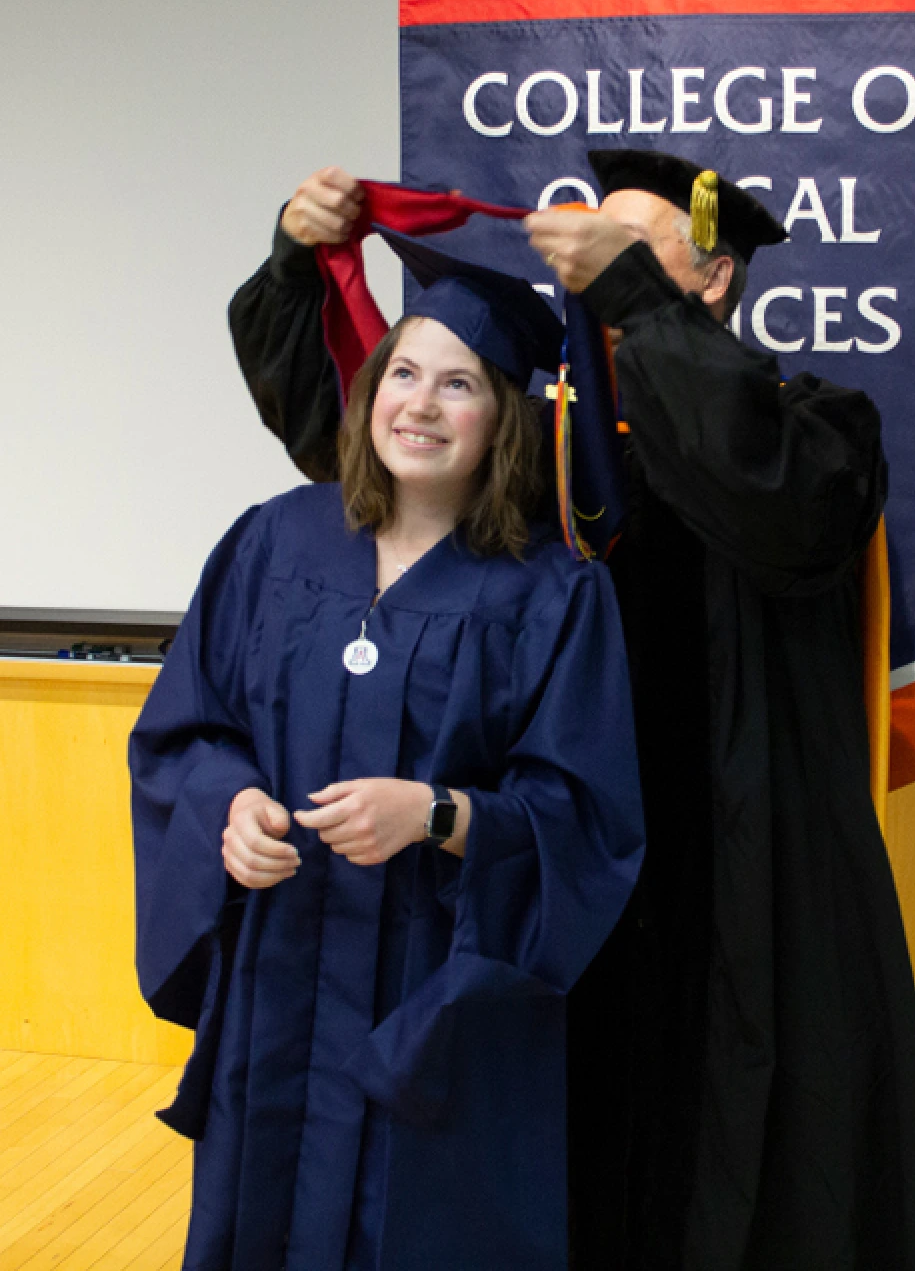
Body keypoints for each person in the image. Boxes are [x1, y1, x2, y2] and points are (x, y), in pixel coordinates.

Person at [228, 151, 915, 1271]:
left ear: (708, 280)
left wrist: (637, 308)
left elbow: (772, 503)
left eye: (632, 246)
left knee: (729, 1151)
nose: (585, 256)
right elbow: (355, 436)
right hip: (551, 850)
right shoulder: (538, 433)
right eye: (588, 239)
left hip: (730, 860)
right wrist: (294, 259)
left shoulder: (810, 424)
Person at [131, 235, 645, 1271]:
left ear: (501, 416)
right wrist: (229, 805)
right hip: (279, 979)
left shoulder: (552, 595)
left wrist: (441, 814)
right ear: (369, 395)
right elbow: (187, 729)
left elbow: (586, 820)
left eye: (458, 384)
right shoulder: (272, 544)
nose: (419, 403)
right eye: (402, 373)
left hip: (437, 1004)